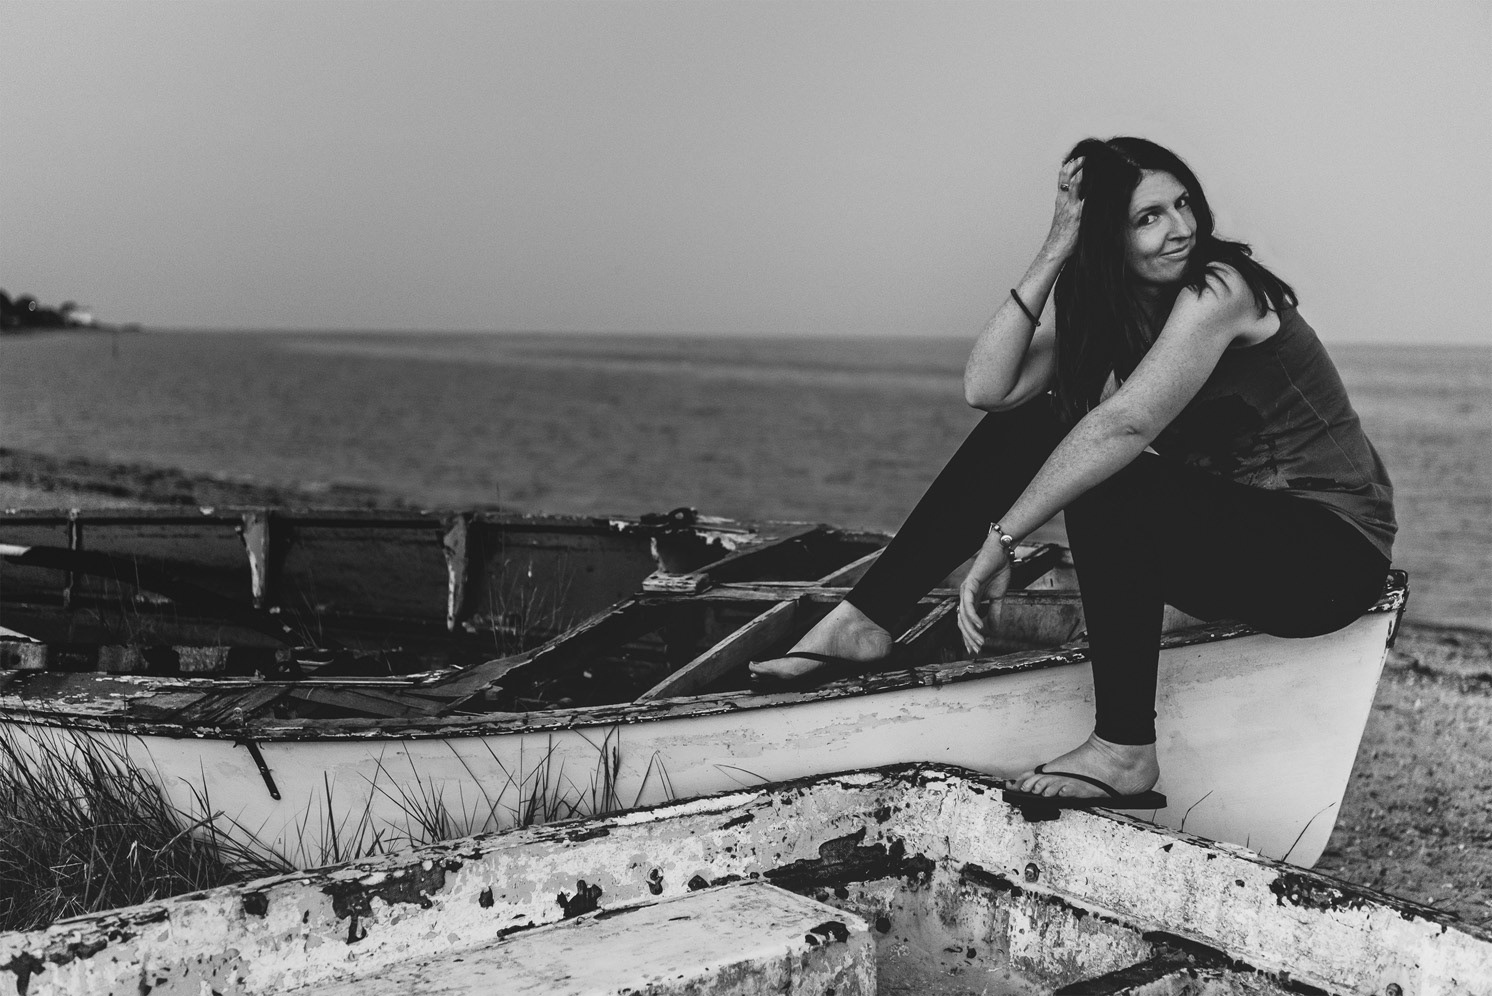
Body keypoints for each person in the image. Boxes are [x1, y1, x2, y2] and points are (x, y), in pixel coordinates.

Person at [749, 136, 1395, 809]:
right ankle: (867, 617)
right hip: (1242, 552)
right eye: (1148, 218)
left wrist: (1002, 540)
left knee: (1106, 467)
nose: (1180, 229)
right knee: (1037, 420)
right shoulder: (1108, 308)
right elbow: (988, 389)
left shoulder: (1221, 288)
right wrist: (1056, 247)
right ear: (1106, 234)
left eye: (1183, 205)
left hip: (1331, 557)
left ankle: (1123, 750)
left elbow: (1124, 428)